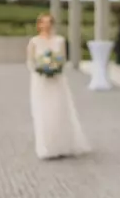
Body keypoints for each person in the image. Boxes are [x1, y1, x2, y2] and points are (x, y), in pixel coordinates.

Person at [26, 13, 91, 159]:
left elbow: (62, 60)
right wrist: (41, 70)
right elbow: (30, 62)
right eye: (43, 22)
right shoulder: (34, 42)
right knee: (43, 112)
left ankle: (62, 144)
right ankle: (46, 147)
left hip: (57, 81)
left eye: (49, 22)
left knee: (58, 110)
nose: (46, 25)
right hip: (40, 82)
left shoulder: (60, 40)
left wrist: (55, 68)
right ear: (39, 25)